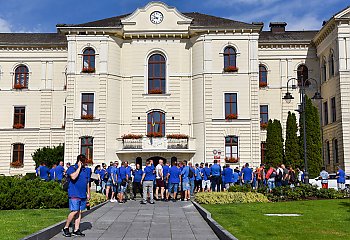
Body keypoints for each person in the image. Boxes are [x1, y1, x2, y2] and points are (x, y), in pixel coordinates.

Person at [62, 154, 90, 237]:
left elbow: (87, 182)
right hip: (74, 193)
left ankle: (76, 229)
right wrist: (79, 168)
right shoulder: (72, 168)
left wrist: (88, 193)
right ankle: (66, 227)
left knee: (79, 212)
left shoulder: (86, 170)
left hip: (82, 194)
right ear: (79, 161)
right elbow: (73, 177)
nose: (84, 163)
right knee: (74, 211)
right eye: (83, 161)